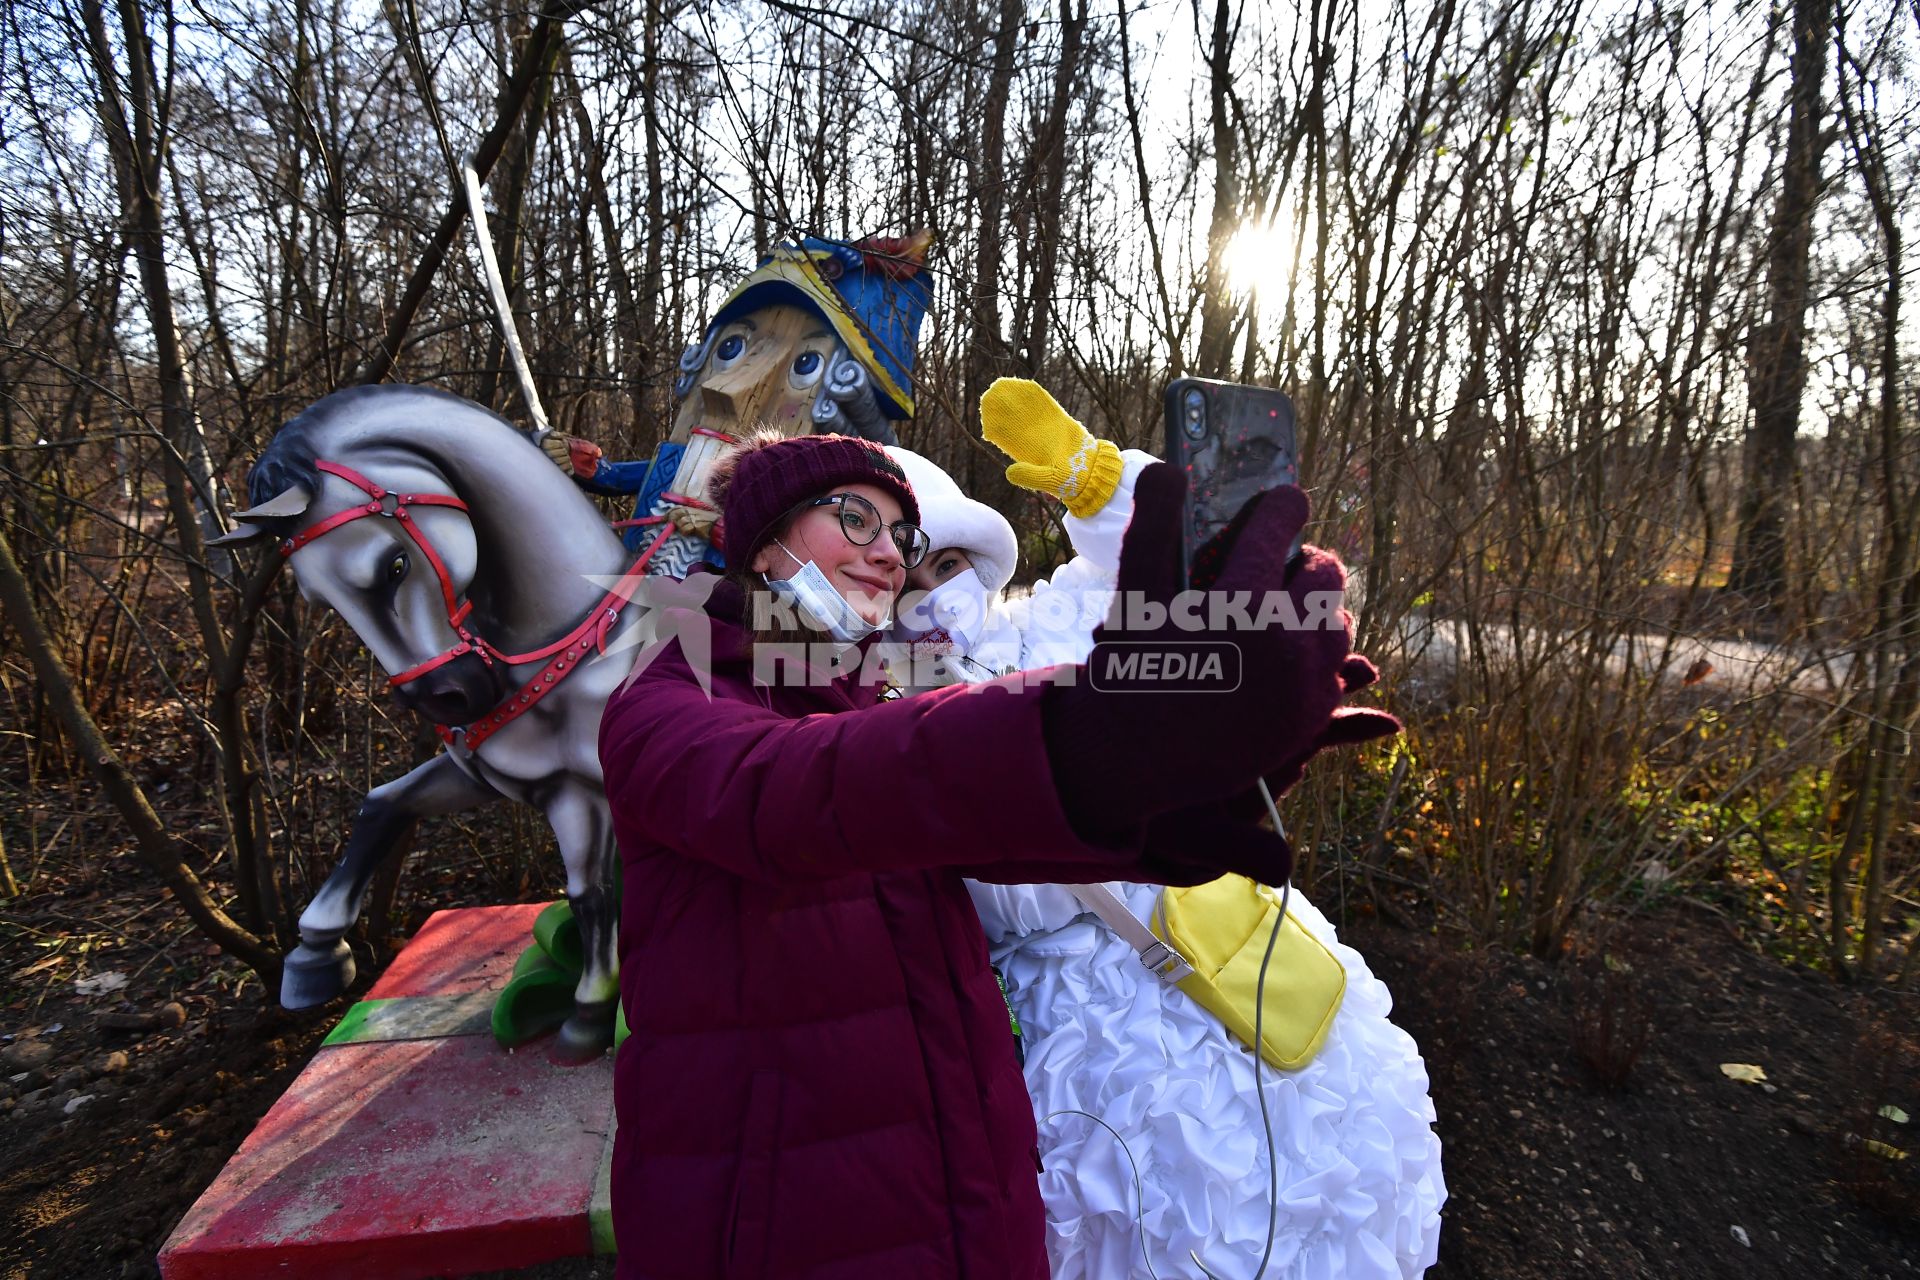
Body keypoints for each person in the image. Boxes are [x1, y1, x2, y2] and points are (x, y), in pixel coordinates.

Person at [597, 426, 1382, 1278]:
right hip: (782, 1220)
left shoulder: (869, 697)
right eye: (856, 518)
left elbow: (966, 811)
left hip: (967, 1202)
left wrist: (1167, 794)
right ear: (763, 538)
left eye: (904, 537)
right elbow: (796, 792)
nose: (889, 556)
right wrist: (1089, 742)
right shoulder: (670, 695)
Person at [891, 379, 1446, 1278]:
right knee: (1144, 1208)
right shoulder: (889, 719)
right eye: (910, 582)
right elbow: (991, 897)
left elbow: (1166, 559)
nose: (934, 595)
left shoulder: (1044, 624)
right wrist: (1109, 814)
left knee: (1326, 1164)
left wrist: (1094, 478)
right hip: (1085, 1017)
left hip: (1222, 934)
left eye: (947, 567)